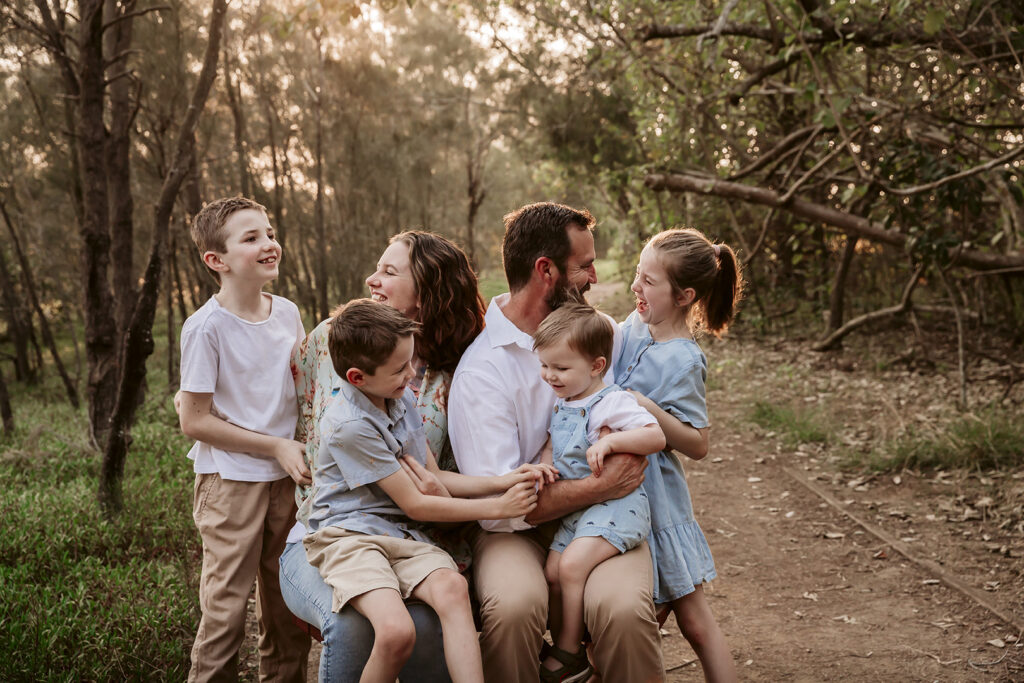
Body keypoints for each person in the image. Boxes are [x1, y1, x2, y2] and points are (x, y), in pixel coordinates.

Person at [448, 202, 666, 683]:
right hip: (516, 528)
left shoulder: (600, 332)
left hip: (602, 519)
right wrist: (599, 486)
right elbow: (498, 507)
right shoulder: (483, 369)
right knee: (513, 606)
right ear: (545, 271)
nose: (593, 275)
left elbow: (656, 380)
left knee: (625, 609)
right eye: (583, 266)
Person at [278, 231, 492, 681]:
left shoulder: (457, 371)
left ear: (428, 293)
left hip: (421, 530)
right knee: (367, 626)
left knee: (436, 613)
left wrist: (504, 487)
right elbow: (298, 414)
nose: (372, 279)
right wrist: (276, 445)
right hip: (339, 529)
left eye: (389, 272)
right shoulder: (336, 343)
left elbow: (437, 477)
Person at [303, 299, 552, 683]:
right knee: (396, 632)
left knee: (452, 588)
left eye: (410, 361)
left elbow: (433, 476)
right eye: (400, 369)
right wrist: (499, 506)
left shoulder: (397, 398)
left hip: (398, 532)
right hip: (349, 537)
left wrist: (504, 480)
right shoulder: (350, 425)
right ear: (357, 377)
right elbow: (419, 503)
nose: (411, 373)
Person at [177, 196, 311, 682]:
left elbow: (303, 390)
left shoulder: (288, 313)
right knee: (226, 612)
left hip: (289, 479)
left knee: (287, 607)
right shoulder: (206, 328)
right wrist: (274, 445)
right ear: (217, 260)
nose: (269, 244)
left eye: (270, 233)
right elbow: (193, 420)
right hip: (231, 482)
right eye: (251, 238)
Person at [615, 228, 743, 683]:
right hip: (619, 494)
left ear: (684, 295)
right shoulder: (631, 327)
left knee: (690, 620)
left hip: (659, 501)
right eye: (637, 274)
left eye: (649, 281)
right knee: (644, 619)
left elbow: (698, 443)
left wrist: (649, 411)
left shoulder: (684, 359)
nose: (636, 286)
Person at [531, 303, 666, 682]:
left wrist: (612, 444)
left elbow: (655, 435)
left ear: (596, 366)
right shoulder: (565, 402)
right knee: (554, 570)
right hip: (581, 512)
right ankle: (580, 642)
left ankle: (569, 653)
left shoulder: (611, 401)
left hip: (617, 507)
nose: (549, 376)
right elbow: (554, 444)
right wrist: (544, 463)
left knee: (572, 566)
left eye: (560, 368)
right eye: (545, 365)